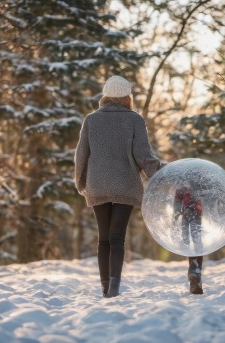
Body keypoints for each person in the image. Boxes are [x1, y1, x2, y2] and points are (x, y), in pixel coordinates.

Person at [74, 75, 164, 298]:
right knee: (117, 238)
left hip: (98, 185)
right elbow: (143, 156)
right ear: (127, 96)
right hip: (125, 185)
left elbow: (81, 155)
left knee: (103, 239)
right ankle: (114, 284)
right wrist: (161, 174)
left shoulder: (91, 120)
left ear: (105, 96)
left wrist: (81, 182)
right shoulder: (134, 119)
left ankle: (105, 286)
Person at [173, 185, 204, 295]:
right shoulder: (198, 178)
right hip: (193, 213)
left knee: (193, 242)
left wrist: (176, 212)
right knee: (196, 242)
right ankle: (195, 274)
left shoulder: (184, 178)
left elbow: (178, 197)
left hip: (189, 213)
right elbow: (178, 197)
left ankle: (195, 275)